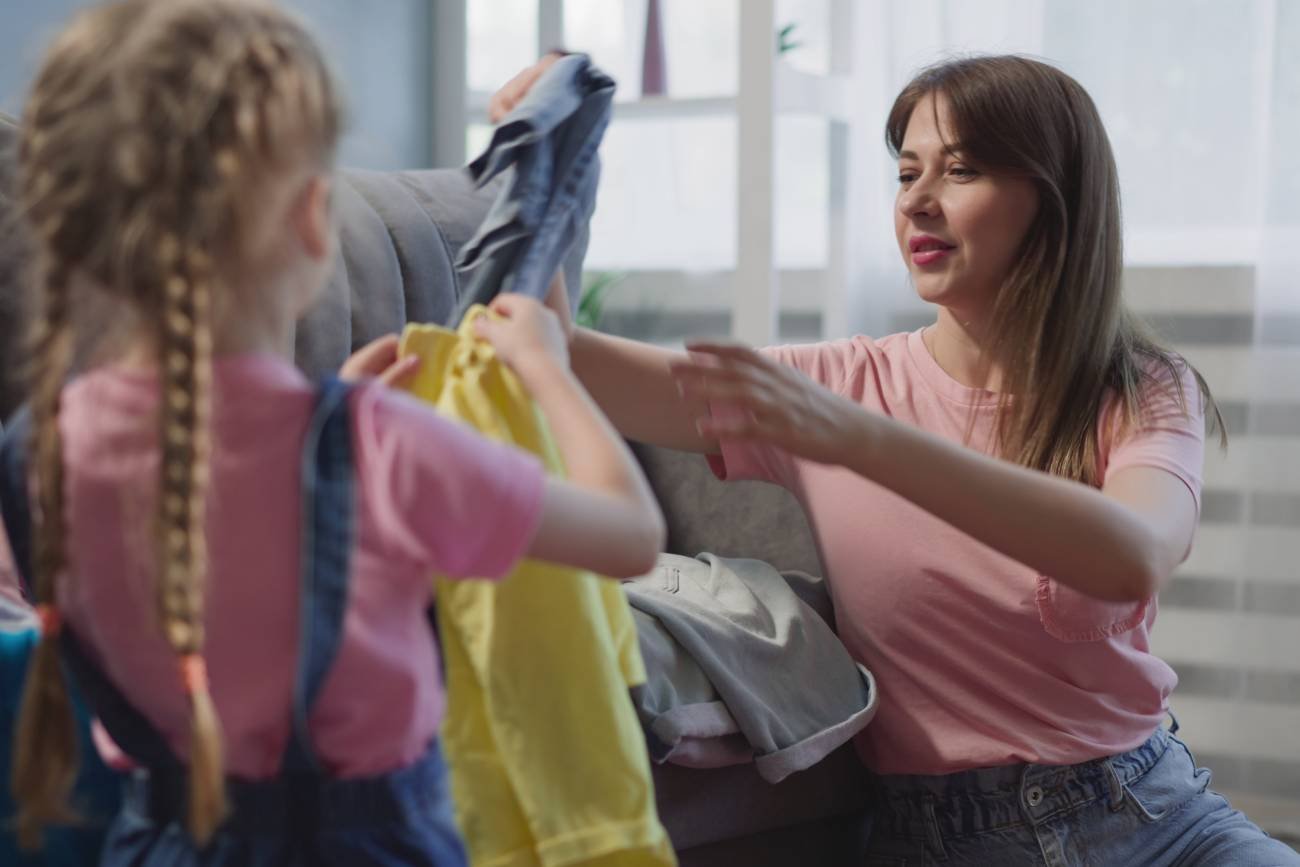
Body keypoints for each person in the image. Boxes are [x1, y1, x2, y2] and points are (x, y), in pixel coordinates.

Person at [501, 52, 1300, 865]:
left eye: (962, 169)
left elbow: (1132, 553)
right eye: (907, 171)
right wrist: (551, 165)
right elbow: (565, 358)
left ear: (1055, 200)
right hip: (945, 840)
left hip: (1157, 814)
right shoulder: (837, 385)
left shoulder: (1140, 388)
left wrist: (855, 437)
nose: (918, 199)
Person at [6, 1, 663, 864]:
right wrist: (547, 363)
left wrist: (332, 436)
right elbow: (630, 534)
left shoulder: (37, 449)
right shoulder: (377, 443)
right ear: (313, 217)